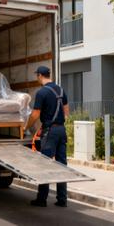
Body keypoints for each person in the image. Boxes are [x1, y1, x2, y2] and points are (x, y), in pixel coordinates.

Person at [24, 66, 69, 208]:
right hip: (61, 130)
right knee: (62, 164)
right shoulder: (61, 90)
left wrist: (26, 126)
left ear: (39, 75)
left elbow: (35, 114)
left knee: (44, 164)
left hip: (50, 132)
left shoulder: (42, 92)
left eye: (37, 76)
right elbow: (66, 111)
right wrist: (59, 122)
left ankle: (42, 199)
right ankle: (62, 199)